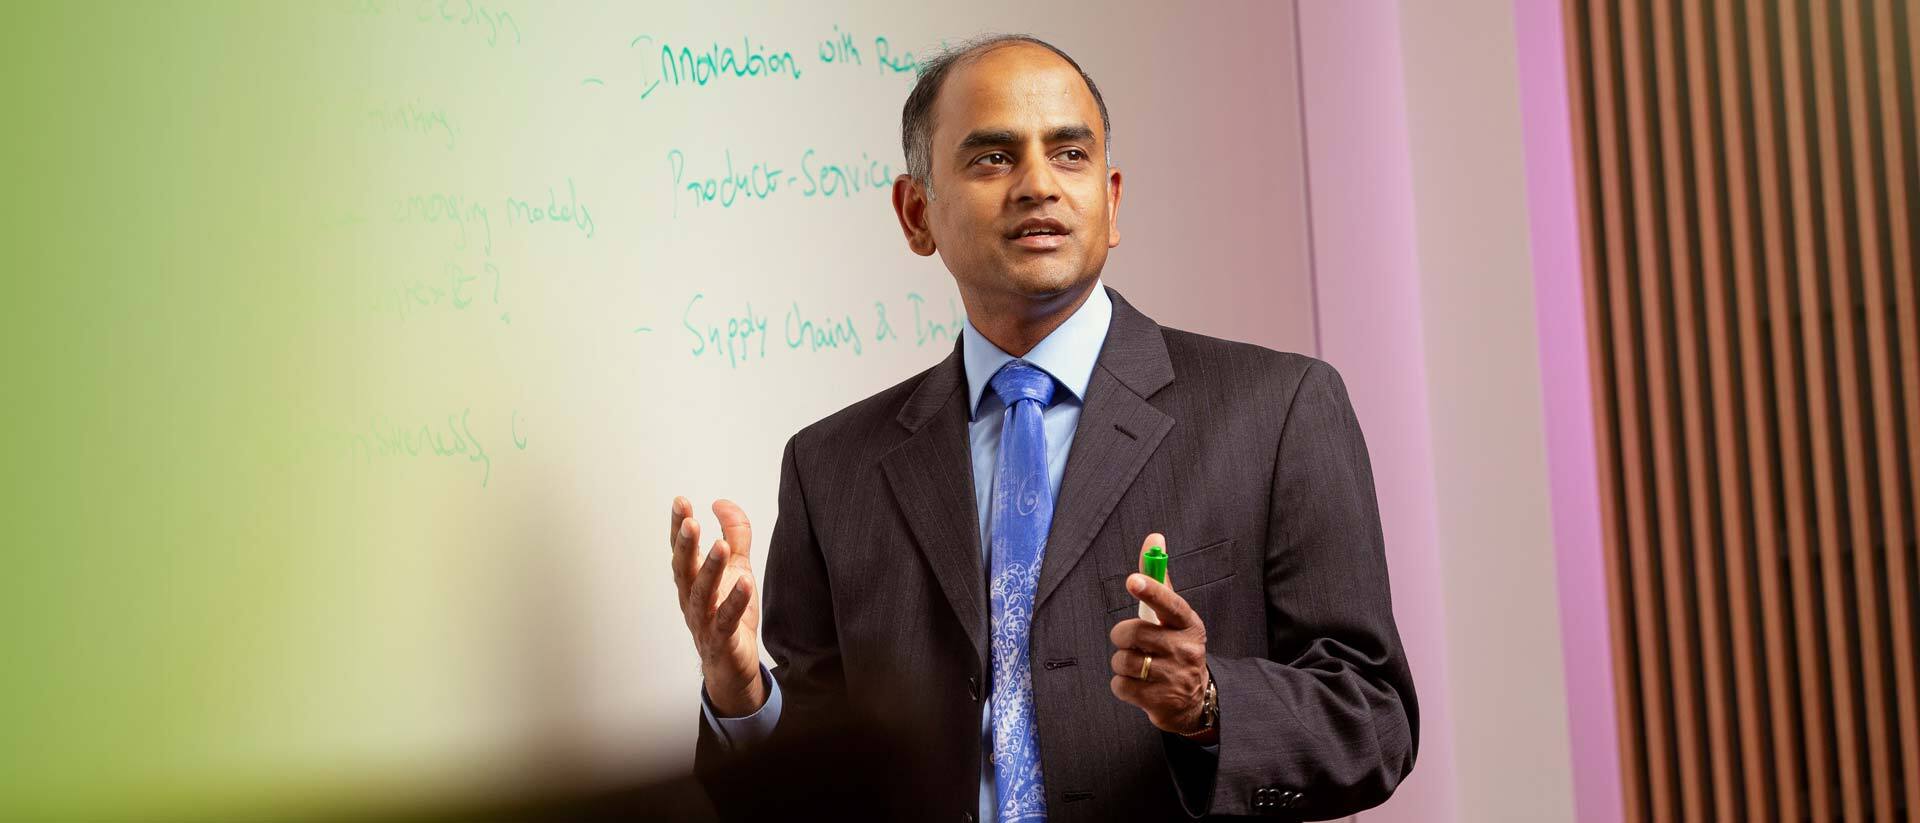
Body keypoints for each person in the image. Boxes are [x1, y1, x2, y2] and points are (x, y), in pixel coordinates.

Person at [669, 33, 1418, 821]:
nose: (1038, 185)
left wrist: (1209, 701)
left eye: (1068, 154)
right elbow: (814, 788)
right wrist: (741, 692)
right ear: (916, 212)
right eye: (992, 158)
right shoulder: (831, 470)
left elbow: (1373, 719)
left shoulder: (1278, 409)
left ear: (1111, 198)